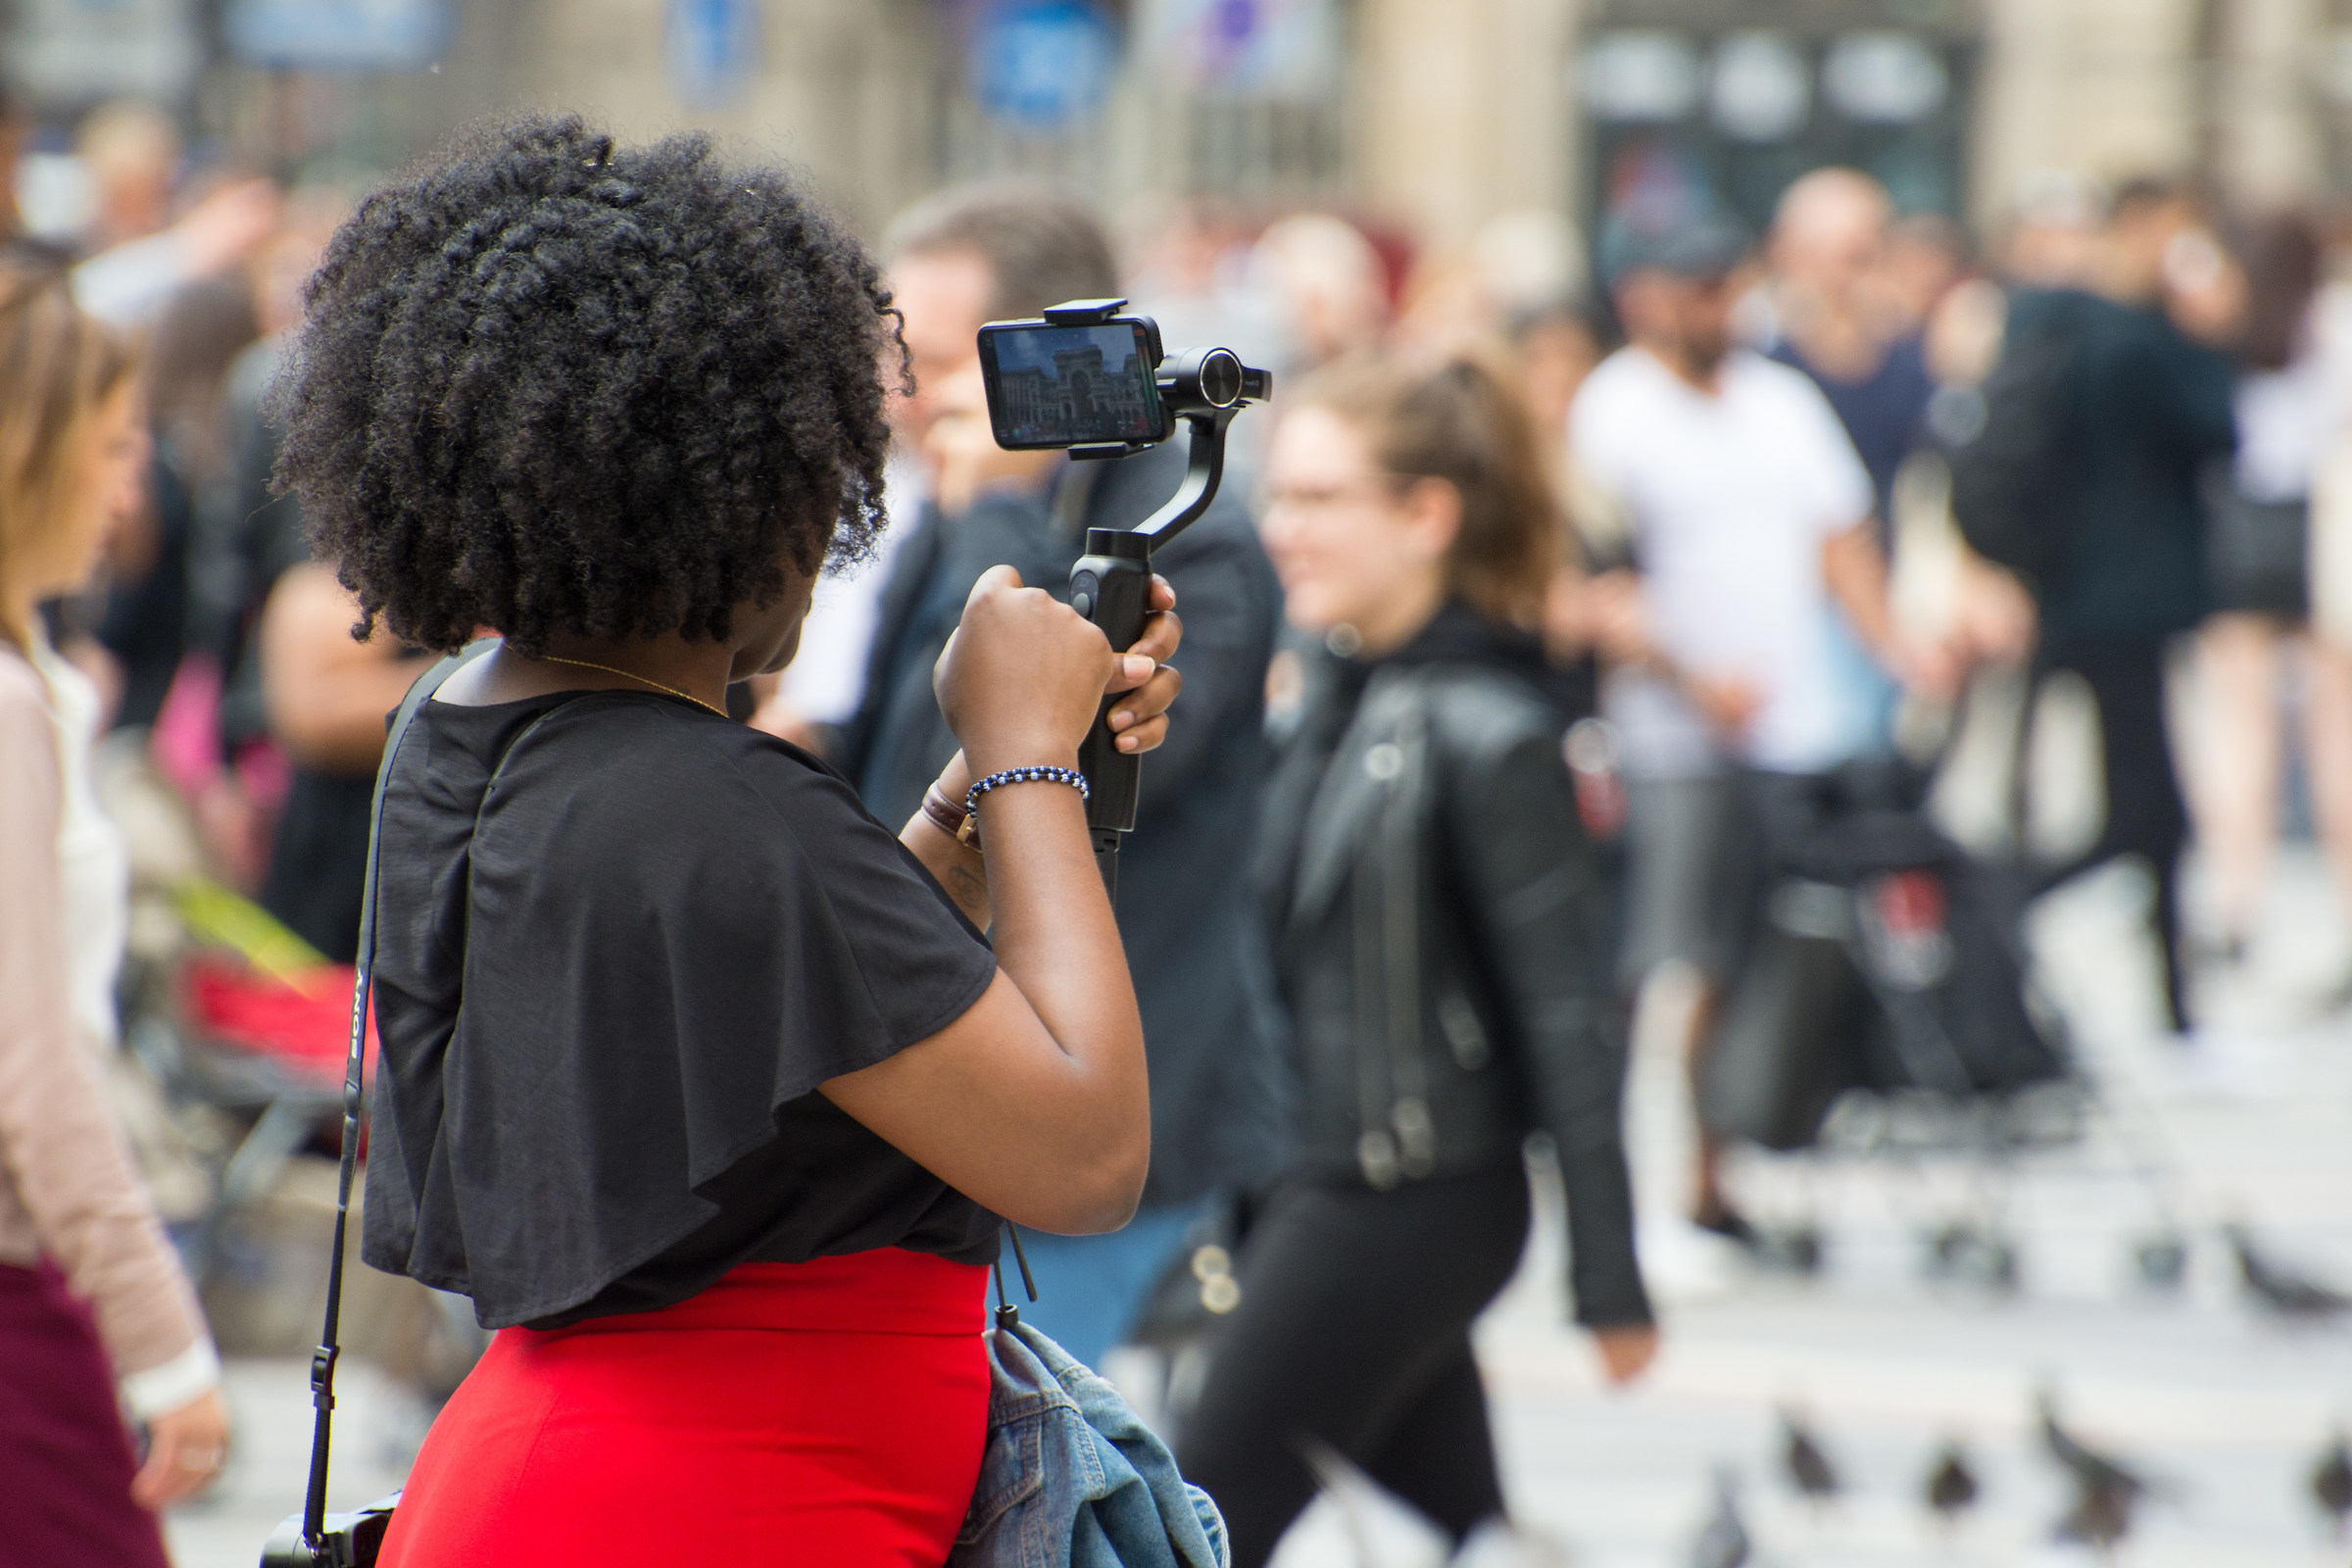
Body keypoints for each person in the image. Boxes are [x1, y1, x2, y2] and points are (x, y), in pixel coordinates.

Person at [271, 117, 1186, 1564]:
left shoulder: (463, 725)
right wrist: (1023, 760)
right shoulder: (714, 805)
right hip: (720, 1508)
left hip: (567, 1484)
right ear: (740, 485)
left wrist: (962, 795)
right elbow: (1084, 1155)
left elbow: (793, 1024)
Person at [1175, 355, 1656, 1566]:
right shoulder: (1331, 701)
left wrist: (1612, 1278)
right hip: (1314, 1179)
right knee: (1468, 1529)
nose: (1284, 531)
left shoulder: (1491, 733)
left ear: (1426, 515)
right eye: (1281, 497)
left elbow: (1567, 1019)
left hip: (1408, 1193)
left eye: (1323, 500)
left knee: (1182, 1518)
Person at [836, 182, 1288, 1367]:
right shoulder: (963, 504)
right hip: (966, 1070)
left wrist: (995, 519)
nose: (908, 397)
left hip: (1108, 1102)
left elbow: (1007, 782)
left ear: (1054, 365)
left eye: (936, 362)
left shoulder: (1189, 540)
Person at [1570, 209, 1918, 1274]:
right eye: (1700, 286)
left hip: (1789, 730)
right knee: (1659, 969)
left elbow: (1840, 538)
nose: (1723, 305)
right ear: (1647, 297)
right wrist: (1691, 678)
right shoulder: (1615, 409)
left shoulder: (1780, 399)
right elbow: (1603, 577)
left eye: (1729, 283)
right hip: (1666, 738)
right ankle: (1630, 1206)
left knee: (1747, 969)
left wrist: (1900, 648)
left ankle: (1708, 1182)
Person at [0, 262, 229, 1568]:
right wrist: (165, 1339)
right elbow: (37, 1070)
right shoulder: (12, 706)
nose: (130, 485)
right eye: (111, 446)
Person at [2005, 177, 2239, 1032]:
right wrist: (2203, 328)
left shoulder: (2051, 323)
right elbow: (2218, 427)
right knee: (2140, 814)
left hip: (2065, 588)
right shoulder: (2137, 338)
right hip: (2121, 599)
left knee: (2142, 810)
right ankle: (2002, 914)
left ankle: (2173, 999)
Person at [2188, 211, 2352, 979]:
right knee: (2336, 739)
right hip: (2324, 536)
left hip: (2239, 532)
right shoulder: (2334, 330)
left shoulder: (2221, 330)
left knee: (2238, 727)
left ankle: (2235, 903)